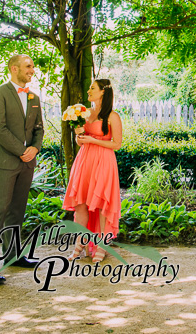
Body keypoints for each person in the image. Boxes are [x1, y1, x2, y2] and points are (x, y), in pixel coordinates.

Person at [0, 54, 44, 285]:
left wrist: (34, 148)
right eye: (28, 66)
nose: (32, 70)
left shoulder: (34, 97)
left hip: (27, 163)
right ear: (14, 68)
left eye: (32, 67)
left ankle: (13, 255)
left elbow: (39, 128)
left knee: (17, 211)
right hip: (4, 163)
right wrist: (21, 150)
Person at [62, 79, 122, 263]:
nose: (89, 90)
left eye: (92, 88)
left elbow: (117, 144)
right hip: (85, 159)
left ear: (103, 91)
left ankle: (102, 245)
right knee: (81, 203)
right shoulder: (85, 113)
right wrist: (79, 135)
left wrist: (92, 140)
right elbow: (81, 139)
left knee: (101, 203)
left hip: (103, 161)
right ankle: (80, 243)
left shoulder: (113, 116)